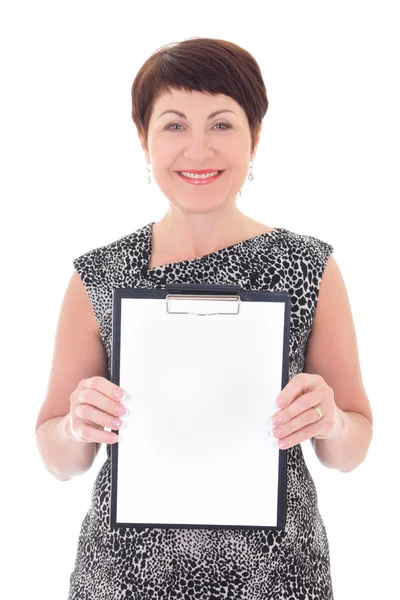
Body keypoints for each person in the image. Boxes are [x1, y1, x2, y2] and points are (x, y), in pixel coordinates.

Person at [35, 37, 373, 599]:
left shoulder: (310, 266)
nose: (198, 150)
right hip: (125, 578)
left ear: (255, 137)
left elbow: (353, 447)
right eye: (173, 125)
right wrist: (75, 425)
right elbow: (57, 458)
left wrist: (332, 420)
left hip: (277, 575)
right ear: (142, 139)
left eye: (221, 124)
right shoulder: (99, 275)